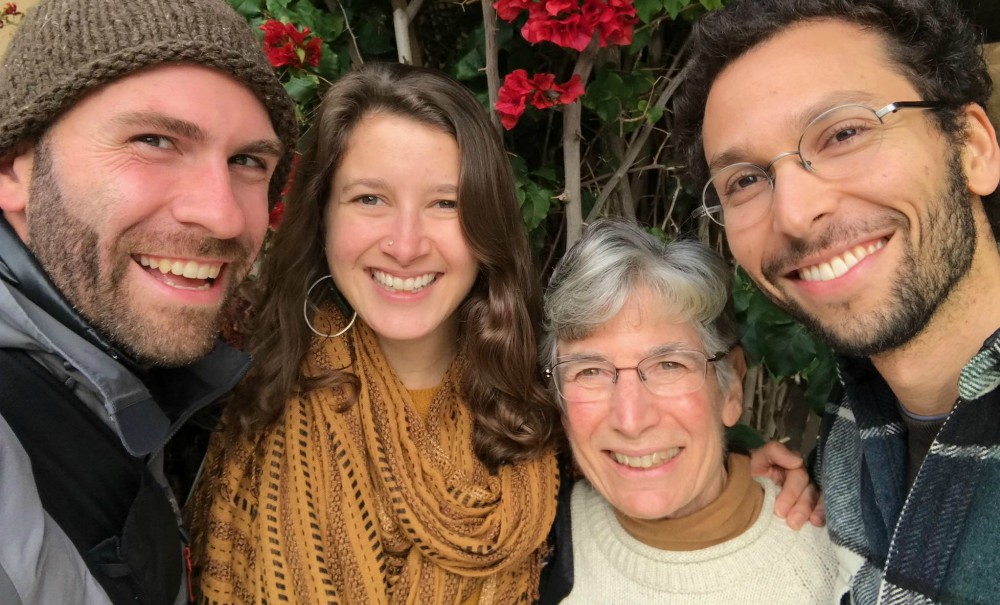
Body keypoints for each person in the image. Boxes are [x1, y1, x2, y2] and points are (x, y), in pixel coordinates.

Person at [187, 62, 561, 605]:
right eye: (370, 199)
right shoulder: (233, 390)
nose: (405, 246)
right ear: (322, 215)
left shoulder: (558, 414)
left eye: (446, 203)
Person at [672, 0, 1000, 603]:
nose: (795, 214)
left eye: (844, 133)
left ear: (973, 148)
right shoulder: (850, 439)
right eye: (744, 180)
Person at [0, 0, 298, 604]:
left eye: (247, 161)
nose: (220, 212)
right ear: (13, 170)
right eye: (154, 140)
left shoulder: (107, 370)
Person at [536, 218, 836, 603]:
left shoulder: (835, 567)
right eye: (590, 371)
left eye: (669, 366)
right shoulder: (530, 546)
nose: (631, 420)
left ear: (730, 388)